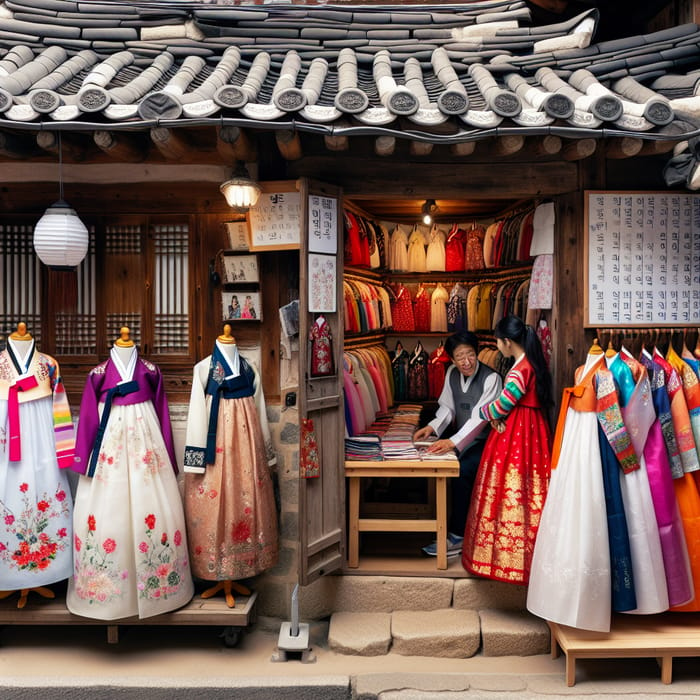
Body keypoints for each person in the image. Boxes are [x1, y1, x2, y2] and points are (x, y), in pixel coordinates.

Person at [462, 314, 553, 585]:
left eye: (499, 342)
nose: (498, 347)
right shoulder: (532, 364)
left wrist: (486, 411)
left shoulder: (519, 369)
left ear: (507, 342)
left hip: (518, 430)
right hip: (533, 429)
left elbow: (504, 403)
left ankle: (506, 559)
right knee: (530, 489)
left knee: (507, 488)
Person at [413, 331, 502, 556]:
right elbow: (447, 407)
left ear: (477, 353)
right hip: (464, 440)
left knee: (462, 472)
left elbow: (480, 419)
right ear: (452, 359)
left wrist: (452, 442)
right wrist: (432, 428)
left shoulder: (491, 378)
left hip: (488, 442)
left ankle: (458, 535)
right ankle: (452, 528)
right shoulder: (452, 373)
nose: (466, 362)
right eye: (460, 357)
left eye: (470, 355)